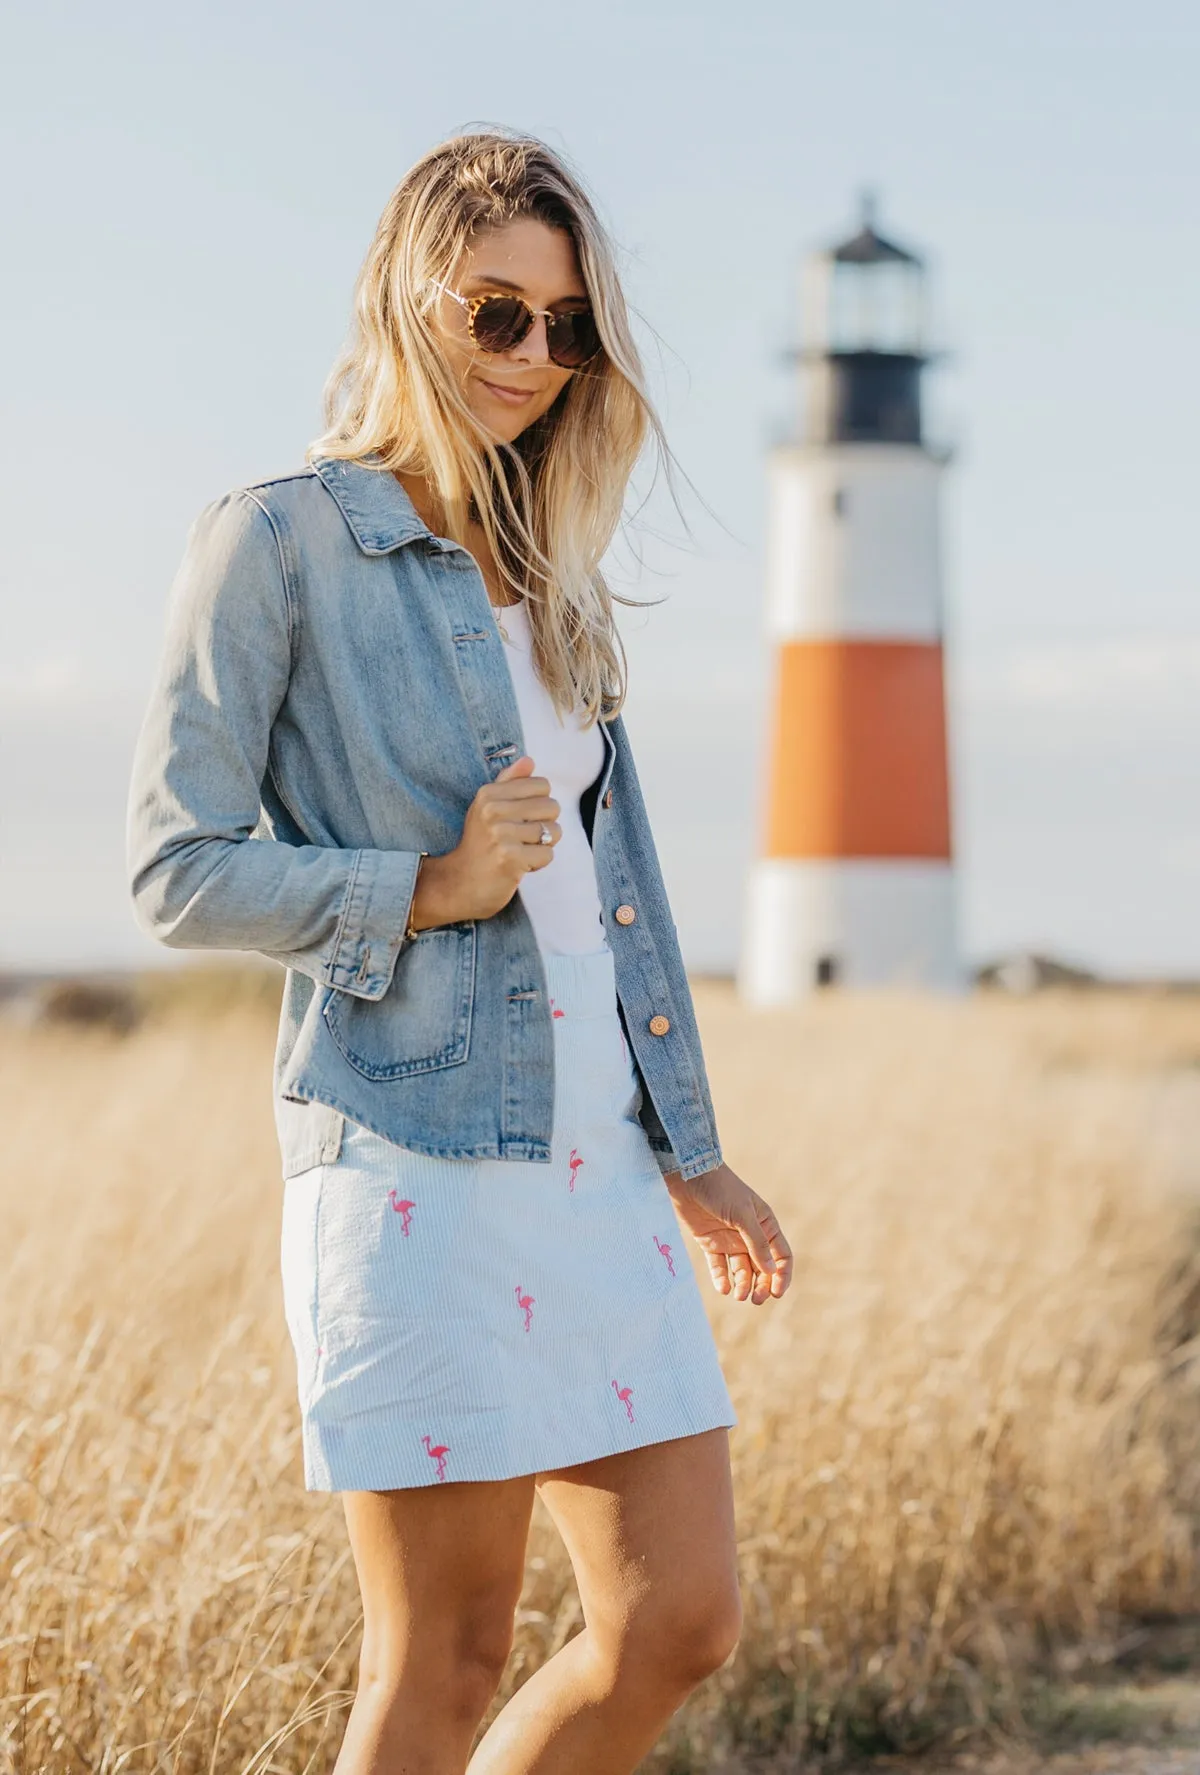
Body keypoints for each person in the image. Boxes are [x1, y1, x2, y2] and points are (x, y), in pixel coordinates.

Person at [126, 127, 793, 1775]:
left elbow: (607, 897)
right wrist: (415, 888)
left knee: (678, 1620)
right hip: (414, 1153)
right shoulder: (276, 540)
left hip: (602, 1163)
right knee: (444, 1657)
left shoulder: (552, 558)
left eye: (567, 328)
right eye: (499, 314)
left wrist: (690, 1151)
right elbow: (172, 868)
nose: (536, 359)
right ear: (406, 295)